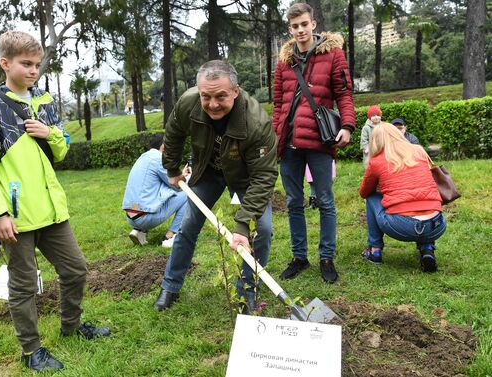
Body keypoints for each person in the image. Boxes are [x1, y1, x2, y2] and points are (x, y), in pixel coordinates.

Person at [0, 30, 110, 372]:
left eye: (37, 64)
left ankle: (71, 327)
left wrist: (51, 133)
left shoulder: (44, 101)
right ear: (5, 63)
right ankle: (31, 351)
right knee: (24, 284)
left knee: (75, 269)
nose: (33, 70)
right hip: (16, 216)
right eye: (25, 64)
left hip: (52, 210)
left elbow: (61, 151)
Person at [154, 60, 278, 313]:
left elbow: (264, 175)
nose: (212, 104)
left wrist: (243, 225)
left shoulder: (256, 122)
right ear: (198, 91)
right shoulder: (189, 103)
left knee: (262, 229)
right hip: (208, 170)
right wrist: (172, 169)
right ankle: (170, 286)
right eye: (206, 96)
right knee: (187, 225)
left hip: (246, 177)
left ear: (235, 90)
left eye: (220, 96)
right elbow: (174, 133)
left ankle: (248, 291)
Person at [272, 3, 356, 284]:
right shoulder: (284, 61)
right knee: (294, 202)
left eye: (304, 24)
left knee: (325, 201)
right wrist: (276, 135)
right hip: (288, 145)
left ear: (313, 23)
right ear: (289, 28)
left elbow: (344, 94)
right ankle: (299, 257)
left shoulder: (333, 54)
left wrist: (346, 126)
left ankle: (327, 258)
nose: (300, 30)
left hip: (320, 141)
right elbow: (278, 105)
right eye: (295, 26)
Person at [359, 123, 446, 272]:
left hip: (402, 226)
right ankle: (427, 249)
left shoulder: (377, 161)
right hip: (437, 225)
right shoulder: (419, 151)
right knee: (425, 203)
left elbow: (364, 192)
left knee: (371, 196)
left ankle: (375, 251)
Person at [122, 133, 189, 248]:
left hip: (131, 216)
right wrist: (188, 176)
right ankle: (172, 235)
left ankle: (139, 232)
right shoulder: (160, 159)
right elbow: (177, 185)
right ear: (163, 146)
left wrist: (180, 175)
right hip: (145, 218)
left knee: (143, 197)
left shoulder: (143, 157)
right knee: (188, 193)